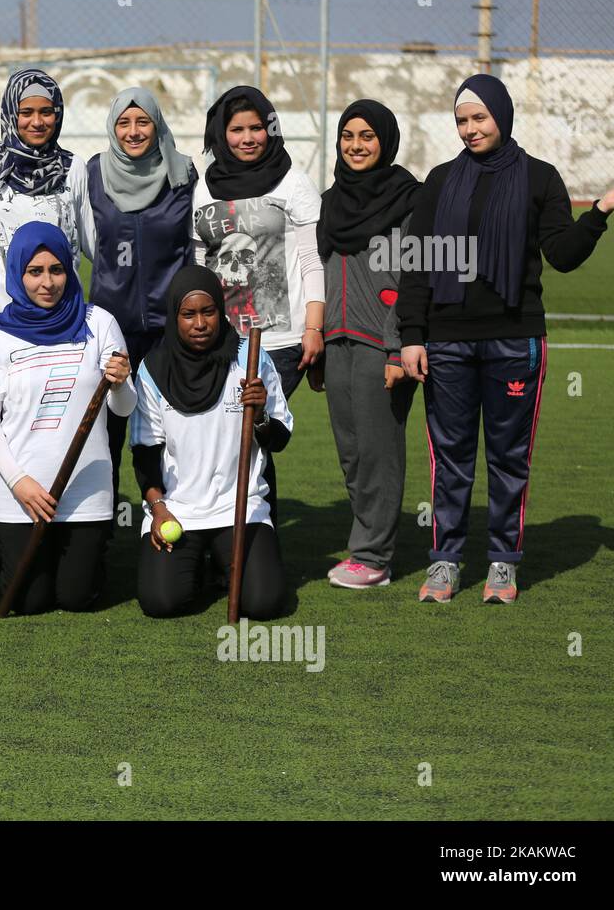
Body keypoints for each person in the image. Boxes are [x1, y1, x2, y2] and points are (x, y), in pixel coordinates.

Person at [397, 74, 614, 604]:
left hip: (513, 340)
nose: (470, 129)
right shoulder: (439, 179)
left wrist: (599, 214)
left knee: (508, 457)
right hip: (447, 342)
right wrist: (412, 335)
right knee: (450, 457)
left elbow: (563, 256)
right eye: (461, 120)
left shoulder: (540, 179)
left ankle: (503, 561)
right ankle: (446, 561)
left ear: (502, 114)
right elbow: (416, 264)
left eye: (480, 117)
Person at [0, 222, 134, 615]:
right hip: (22, 495)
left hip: (86, 493)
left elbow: (124, 408)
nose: (48, 282)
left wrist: (119, 384)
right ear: (17, 273)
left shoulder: (99, 323)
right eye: (35, 271)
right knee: (30, 601)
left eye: (57, 270)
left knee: (77, 599)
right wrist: (19, 482)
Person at [131, 266, 293, 619]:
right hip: (179, 510)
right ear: (175, 317)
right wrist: (158, 509)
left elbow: (278, 439)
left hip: (241, 508)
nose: (200, 323)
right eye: (188, 314)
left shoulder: (250, 359)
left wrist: (261, 414)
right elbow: (144, 454)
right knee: (161, 602)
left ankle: (226, 561)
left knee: (264, 604)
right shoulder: (152, 369)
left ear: (221, 311)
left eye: (209, 312)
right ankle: (202, 566)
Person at [194, 85, 324, 522]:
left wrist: (314, 327)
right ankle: (230, 531)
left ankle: (252, 531)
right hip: (221, 339)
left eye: (256, 128)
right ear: (220, 133)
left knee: (250, 431)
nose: (248, 138)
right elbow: (199, 261)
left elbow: (312, 260)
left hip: (281, 340)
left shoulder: (293, 182)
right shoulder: (205, 186)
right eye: (236, 129)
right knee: (230, 434)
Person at [317, 99, 421, 589]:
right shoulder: (331, 200)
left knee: (379, 451)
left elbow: (415, 279)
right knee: (352, 452)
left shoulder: (408, 199)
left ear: (386, 141)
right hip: (336, 341)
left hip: (382, 345)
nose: (356, 146)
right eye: (348, 136)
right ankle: (367, 544)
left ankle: (374, 558)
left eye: (367, 137)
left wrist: (398, 347)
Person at [83, 86, 199, 498]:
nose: (133, 132)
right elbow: (86, 241)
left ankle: (183, 520)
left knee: (171, 432)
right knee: (107, 434)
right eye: (124, 123)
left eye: (143, 121)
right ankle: (102, 535)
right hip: (112, 330)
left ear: (157, 124)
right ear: (113, 128)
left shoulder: (183, 174)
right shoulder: (93, 174)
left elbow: (195, 244)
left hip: (172, 329)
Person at [0, 68, 91, 361]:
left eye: (47, 112)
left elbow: (88, 241)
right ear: (10, 112)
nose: (38, 122)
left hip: (59, 320)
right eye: (26, 112)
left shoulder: (74, 168)